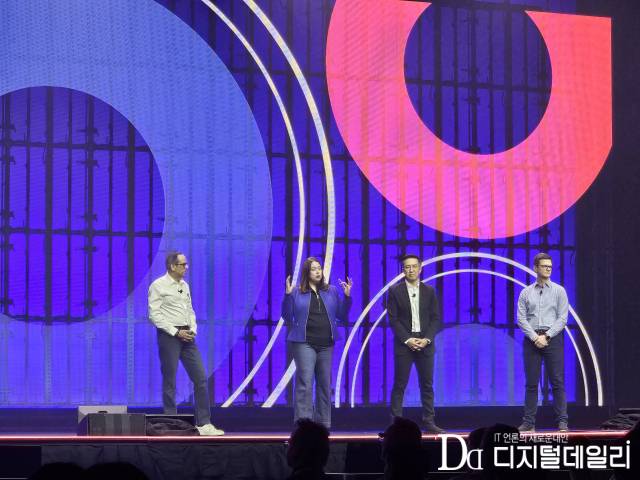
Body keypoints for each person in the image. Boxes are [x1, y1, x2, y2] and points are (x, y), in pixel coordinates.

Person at [148, 251, 224, 436]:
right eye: (183, 264)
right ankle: (171, 423)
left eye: (186, 264)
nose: (186, 267)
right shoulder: (158, 285)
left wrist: (193, 330)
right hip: (169, 336)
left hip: (188, 336)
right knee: (170, 381)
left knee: (201, 378)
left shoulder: (185, 285)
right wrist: (176, 332)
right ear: (172, 266)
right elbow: (154, 315)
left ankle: (204, 423)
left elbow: (190, 310)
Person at [282, 257, 352, 429]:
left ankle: (323, 424)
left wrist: (347, 297)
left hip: (326, 343)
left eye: (319, 268)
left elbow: (341, 315)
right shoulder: (297, 292)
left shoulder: (332, 291)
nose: (317, 271)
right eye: (313, 269)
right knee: (305, 383)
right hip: (303, 342)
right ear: (307, 273)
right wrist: (288, 296)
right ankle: (304, 424)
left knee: (324, 384)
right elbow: (287, 316)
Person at [387, 254, 444, 434]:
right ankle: (395, 423)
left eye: (414, 266)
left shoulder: (430, 291)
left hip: (425, 343)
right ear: (403, 270)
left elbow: (435, 318)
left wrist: (426, 339)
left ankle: (429, 421)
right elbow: (393, 319)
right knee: (399, 384)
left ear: (420, 269)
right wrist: (408, 339)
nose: (410, 270)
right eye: (407, 267)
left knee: (427, 385)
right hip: (404, 344)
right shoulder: (395, 291)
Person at [517, 252, 568, 432]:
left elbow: (562, 318)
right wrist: (534, 337)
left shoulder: (559, 291)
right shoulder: (526, 292)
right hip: (531, 340)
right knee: (531, 383)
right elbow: (521, 319)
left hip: (552, 339)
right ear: (535, 268)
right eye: (545, 266)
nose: (548, 269)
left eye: (550, 267)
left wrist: (546, 336)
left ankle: (562, 421)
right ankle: (529, 422)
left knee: (557, 381)